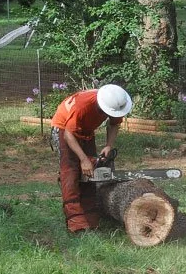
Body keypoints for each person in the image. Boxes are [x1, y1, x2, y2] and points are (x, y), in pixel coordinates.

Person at [50, 85, 133, 233]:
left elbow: (114, 124)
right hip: (64, 128)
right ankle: (76, 223)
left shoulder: (114, 102)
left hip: (86, 130)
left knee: (90, 173)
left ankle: (90, 219)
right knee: (70, 172)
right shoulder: (83, 106)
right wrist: (83, 159)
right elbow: (69, 135)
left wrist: (108, 145)